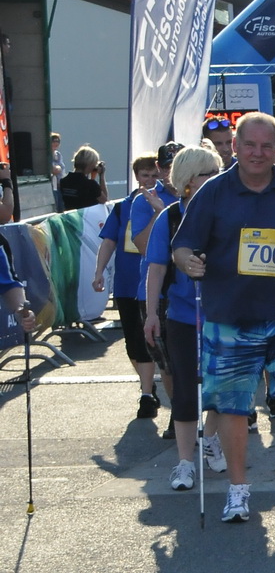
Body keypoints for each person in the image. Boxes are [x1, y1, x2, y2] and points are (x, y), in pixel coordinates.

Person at [170, 113, 275, 525]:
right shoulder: (213, 192)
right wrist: (188, 262)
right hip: (230, 317)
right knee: (233, 406)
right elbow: (182, 247)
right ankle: (238, 491)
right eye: (250, 145)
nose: (258, 153)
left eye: (266, 146)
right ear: (235, 147)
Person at [142, 147, 226, 489]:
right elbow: (157, 268)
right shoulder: (171, 217)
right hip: (181, 314)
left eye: (214, 172)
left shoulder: (228, 213)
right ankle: (185, 461)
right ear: (187, 182)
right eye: (205, 174)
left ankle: (212, 439)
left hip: (224, 314)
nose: (212, 180)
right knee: (185, 391)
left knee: (221, 388)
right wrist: (150, 313)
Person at [92, 155, 167, 421]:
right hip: (126, 284)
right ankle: (148, 386)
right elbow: (109, 241)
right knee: (133, 345)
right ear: (136, 177)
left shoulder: (167, 204)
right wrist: (99, 271)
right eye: (145, 175)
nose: (149, 180)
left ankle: (146, 394)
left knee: (154, 345)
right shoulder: (124, 207)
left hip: (154, 285)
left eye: (153, 176)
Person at [61, 145, 107, 210]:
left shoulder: (63, 181)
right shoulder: (91, 185)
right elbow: (104, 200)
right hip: (85, 218)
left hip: (70, 218)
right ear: (90, 165)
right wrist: (101, 176)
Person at [48, 132, 64, 212]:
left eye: (58, 141)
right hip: (51, 184)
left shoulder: (58, 155)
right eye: (53, 141)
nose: (56, 143)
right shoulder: (46, 154)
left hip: (59, 184)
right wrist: (58, 168)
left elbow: (61, 168)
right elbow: (53, 169)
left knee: (61, 206)